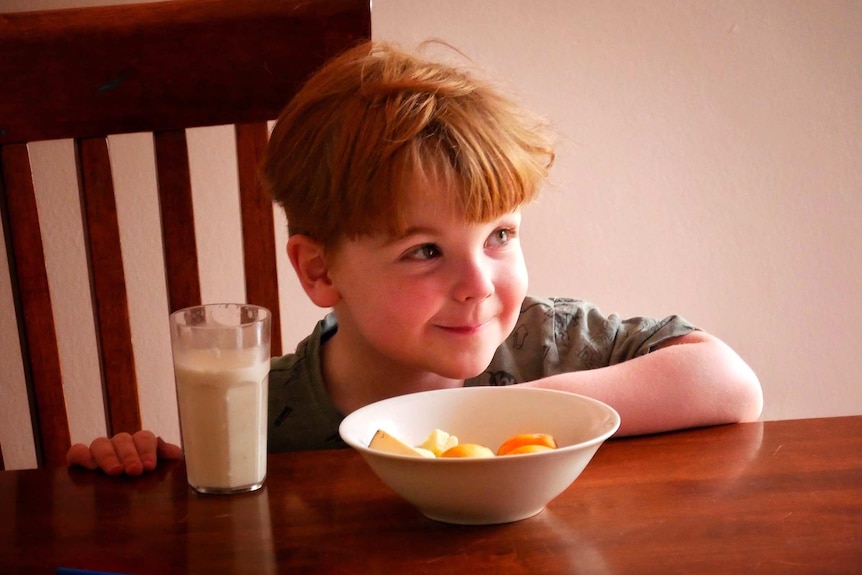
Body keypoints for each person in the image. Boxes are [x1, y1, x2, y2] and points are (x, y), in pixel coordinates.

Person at [67, 40, 762, 475]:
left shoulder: (545, 345)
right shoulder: (270, 414)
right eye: (426, 250)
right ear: (319, 271)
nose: (478, 285)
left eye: (500, 236)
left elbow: (730, 385)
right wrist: (134, 465)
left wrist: (515, 414)